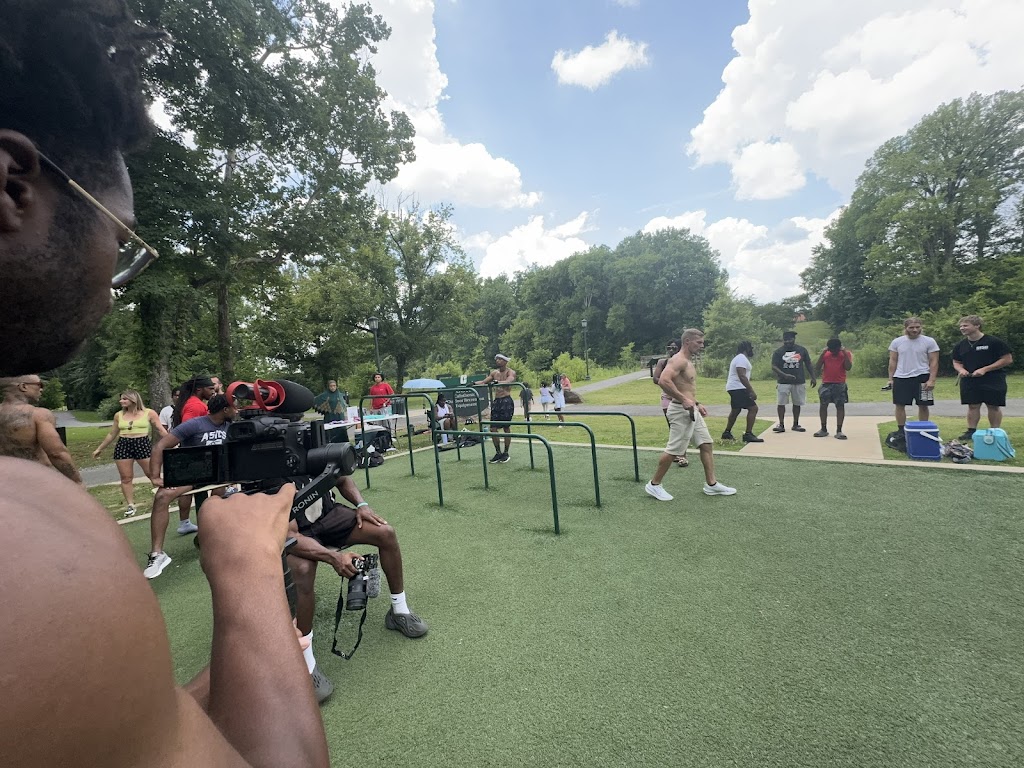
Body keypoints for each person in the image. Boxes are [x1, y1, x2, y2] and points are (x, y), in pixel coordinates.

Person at [0, 2, 329, 764]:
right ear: (13, 184)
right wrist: (247, 567)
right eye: (121, 239)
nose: (115, 283)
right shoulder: (25, 544)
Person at [286, 475, 429, 702]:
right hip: (297, 531)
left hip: (328, 515)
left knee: (385, 532)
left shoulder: (314, 452)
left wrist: (362, 505)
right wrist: (334, 557)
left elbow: (342, 479)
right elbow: (290, 535)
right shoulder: (272, 465)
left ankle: (399, 610)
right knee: (303, 570)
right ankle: (306, 662)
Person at [146, 395, 237, 579]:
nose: (238, 410)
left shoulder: (232, 427)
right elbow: (160, 446)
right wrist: (155, 476)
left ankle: (216, 538)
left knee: (221, 494)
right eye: (235, 407)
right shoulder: (194, 425)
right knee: (162, 496)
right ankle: (157, 554)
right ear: (225, 409)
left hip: (220, 476)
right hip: (193, 474)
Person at [645, 329, 737, 501]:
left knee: (706, 444)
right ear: (687, 341)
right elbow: (663, 380)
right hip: (679, 411)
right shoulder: (678, 360)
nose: (702, 346)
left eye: (702, 342)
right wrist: (683, 400)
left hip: (691, 410)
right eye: (699, 342)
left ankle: (711, 485)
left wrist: (696, 403)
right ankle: (654, 485)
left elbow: (686, 388)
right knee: (674, 451)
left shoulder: (688, 361)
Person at [92, 389, 168, 517]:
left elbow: (160, 430)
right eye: (121, 399)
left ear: (133, 399)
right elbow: (112, 434)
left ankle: (165, 497)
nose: (121, 401)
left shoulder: (149, 413)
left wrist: (172, 442)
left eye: (124, 399)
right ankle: (131, 505)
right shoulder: (118, 415)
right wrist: (99, 448)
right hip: (124, 444)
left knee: (152, 474)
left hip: (142, 444)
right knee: (126, 478)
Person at [0, 375, 82, 483]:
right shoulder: (39, 415)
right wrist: (77, 481)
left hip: (4, 482)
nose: (41, 389)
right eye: (40, 384)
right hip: (36, 480)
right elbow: (56, 453)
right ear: (23, 386)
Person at [952, 315, 1013, 441]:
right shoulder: (961, 345)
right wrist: (961, 370)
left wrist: (985, 369)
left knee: (993, 405)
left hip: (993, 378)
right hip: (969, 380)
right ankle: (971, 431)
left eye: (965, 325)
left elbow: (1007, 359)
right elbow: (956, 362)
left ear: (977, 326)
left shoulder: (993, 342)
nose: (962, 328)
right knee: (972, 406)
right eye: (961, 326)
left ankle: (995, 431)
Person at [887, 317, 939, 434]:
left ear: (921, 327)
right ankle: (901, 430)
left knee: (923, 405)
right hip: (901, 377)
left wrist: (932, 380)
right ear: (906, 328)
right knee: (899, 404)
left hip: (923, 376)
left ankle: (924, 428)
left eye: (917, 327)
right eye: (911, 327)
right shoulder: (897, 342)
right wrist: (891, 379)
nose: (915, 330)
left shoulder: (929, 341)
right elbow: (893, 360)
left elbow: (934, 361)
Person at [771, 331, 816, 433]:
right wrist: (784, 375)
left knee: (797, 403)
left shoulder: (801, 350)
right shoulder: (778, 352)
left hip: (798, 380)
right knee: (781, 403)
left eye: (790, 339)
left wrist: (813, 377)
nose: (787, 342)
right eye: (785, 340)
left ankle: (795, 424)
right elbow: (774, 366)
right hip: (783, 382)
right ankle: (781, 424)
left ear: (794, 339)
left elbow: (808, 364)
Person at [653, 339, 689, 466]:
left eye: (674, 348)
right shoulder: (662, 362)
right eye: (669, 348)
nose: (671, 350)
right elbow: (655, 378)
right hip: (667, 397)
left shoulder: (683, 363)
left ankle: (682, 455)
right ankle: (677, 454)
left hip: (681, 398)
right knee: (674, 427)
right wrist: (667, 382)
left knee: (682, 427)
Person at [475, 354, 517, 462]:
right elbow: (484, 382)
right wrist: (473, 383)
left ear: (505, 361)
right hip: (497, 401)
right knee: (493, 428)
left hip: (506, 401)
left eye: (500, 359)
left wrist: (498, 382)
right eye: (497, 359)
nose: (498, 361)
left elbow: (509, 380)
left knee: (506, 427)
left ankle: (506, 453)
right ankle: (498, 452)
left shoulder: (510, 372)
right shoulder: (494, 373)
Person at [722, 341, 764, 443]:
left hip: (734, 387)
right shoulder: (741, 358)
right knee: (753, 408)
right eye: (751, 348)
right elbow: (742, 376)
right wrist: (751, 391)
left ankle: (726, 433)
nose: (752, 350)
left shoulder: (739, 358)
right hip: (738, 387)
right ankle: (748, 434)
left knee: (736, 410)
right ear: (746, 348)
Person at [814, 339, 854, 439]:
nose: (833, 352)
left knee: (840, 406)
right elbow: (817, 367)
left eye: (835, 350)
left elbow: (848, 367)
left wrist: (844, 353)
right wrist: (822, 354)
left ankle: (839, 430)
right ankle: (823, 429)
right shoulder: (826, 354)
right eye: (831, 350)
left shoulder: (846, 354)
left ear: (839, 347)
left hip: (839, 383)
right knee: (823, 406)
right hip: (826, 383)